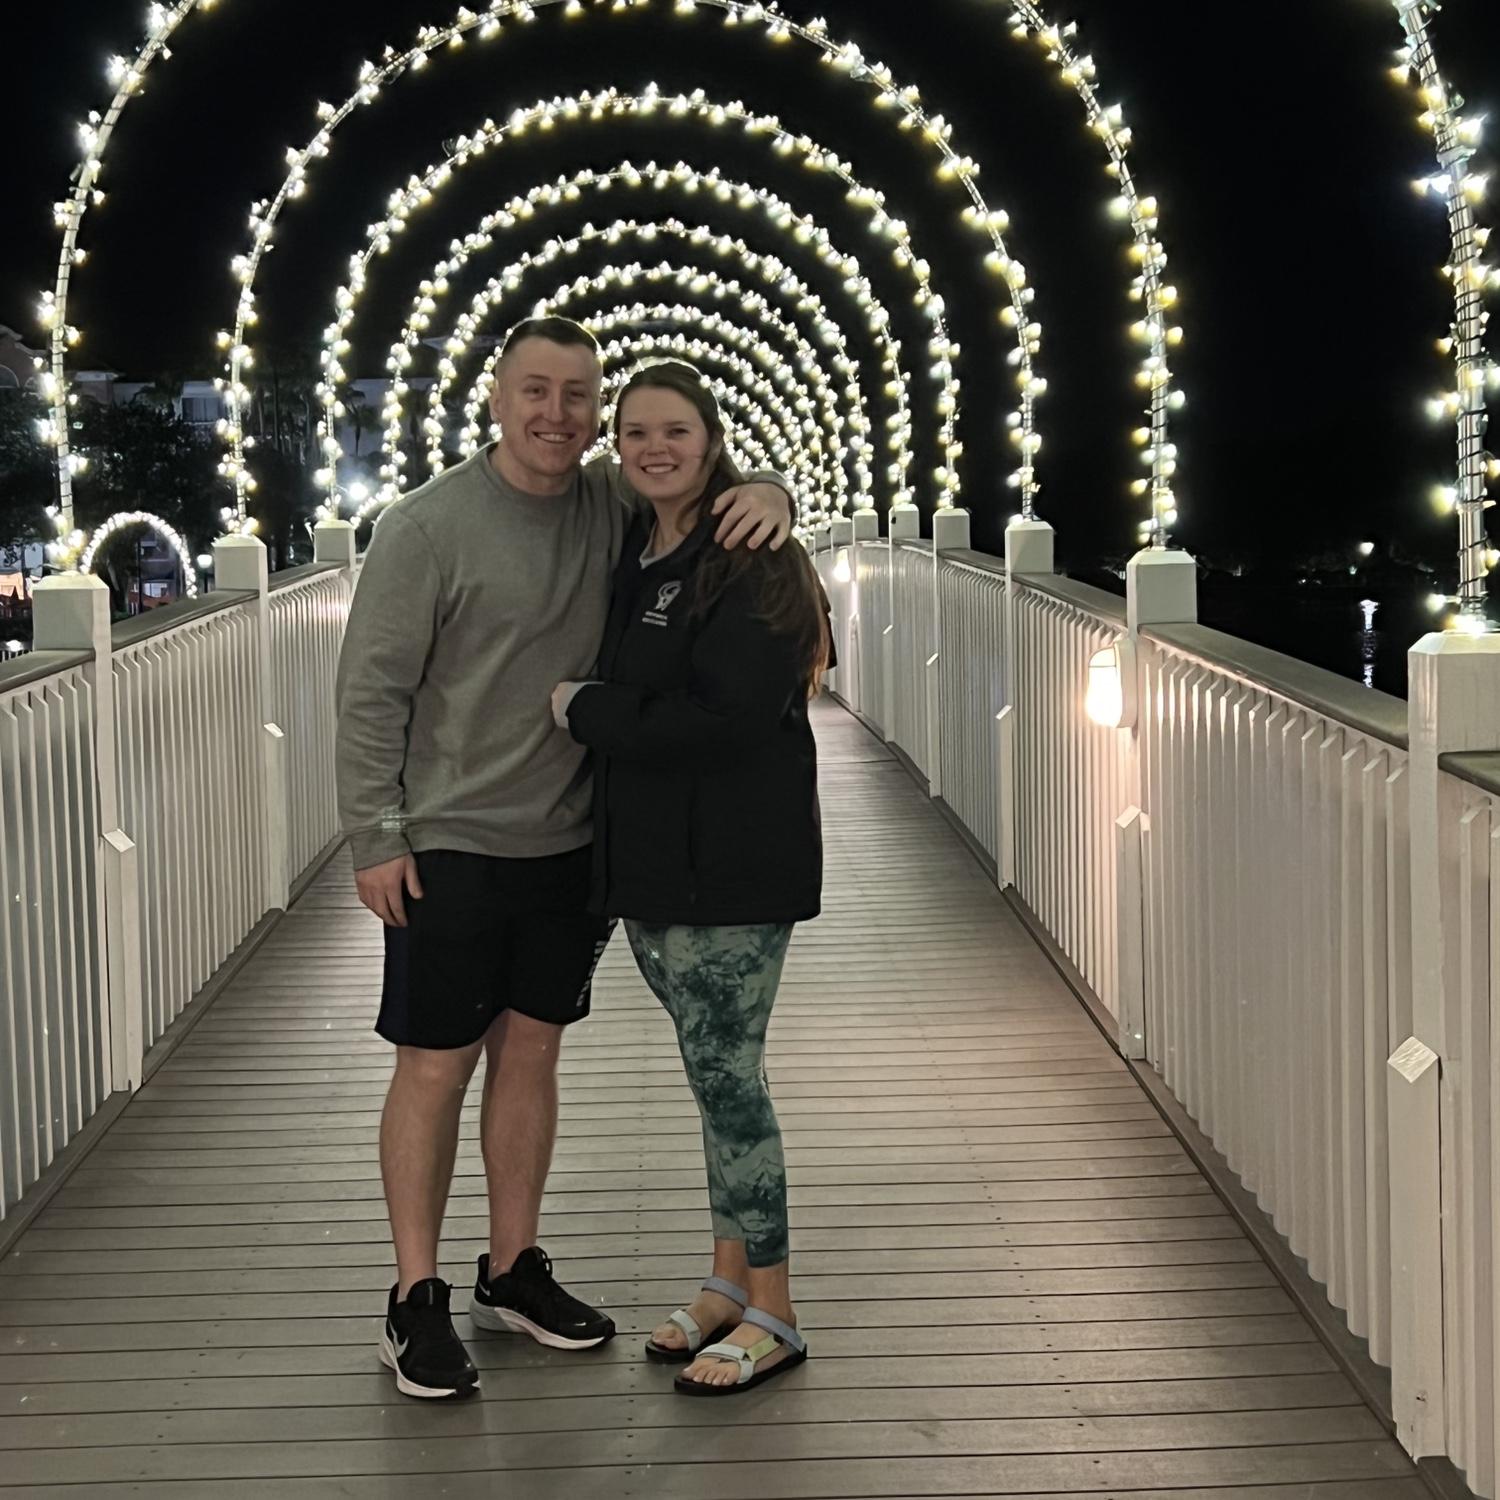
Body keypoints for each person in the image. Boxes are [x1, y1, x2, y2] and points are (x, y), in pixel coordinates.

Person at [335, 318, 796, 1402]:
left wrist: (772, 491)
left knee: (531, 1053)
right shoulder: (425, 526)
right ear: (498, 399)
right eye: (535, 391)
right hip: (449, 842)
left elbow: (697, 489)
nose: (558, 414)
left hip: (572, 840)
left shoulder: (609, 503)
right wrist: (375, 833)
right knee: (435, 1064)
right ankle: (414, 1296)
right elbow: (370, 692)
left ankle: (512, 1269)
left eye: (579, 396)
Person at [553, 361, 828, 1395]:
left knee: (729, 1081)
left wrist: (582, 709)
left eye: (675, 430)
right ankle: (727, 1283)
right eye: (635, 433)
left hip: (734, 869)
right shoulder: (639, 543)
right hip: (659, 869)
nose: (654, 448)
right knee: (714, 1079)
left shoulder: (751, 553)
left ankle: (776, 1311)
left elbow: (731, 720)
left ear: (711, 439)